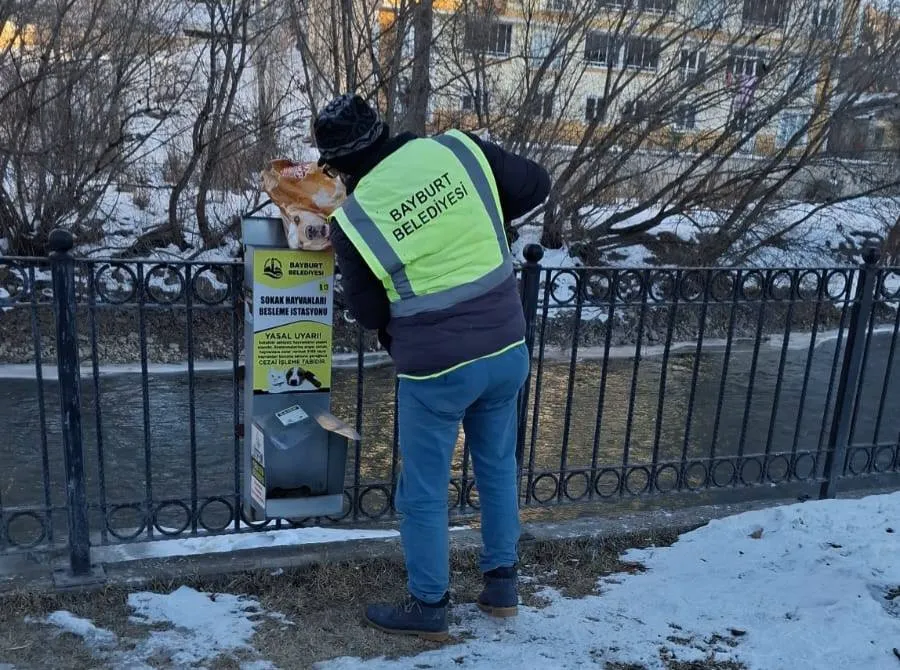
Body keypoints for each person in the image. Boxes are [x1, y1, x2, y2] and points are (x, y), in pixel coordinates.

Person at [313, 93, 550, 641]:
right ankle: (501, 587)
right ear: (383, 128)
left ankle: (428, 604)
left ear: (341, 167)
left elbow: (371, 311)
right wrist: (474, 218)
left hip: (436, 369)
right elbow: (534, 183)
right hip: (507, 347)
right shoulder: (457, 150)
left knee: (422, 487)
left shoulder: (354, 218)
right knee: (495, 466)